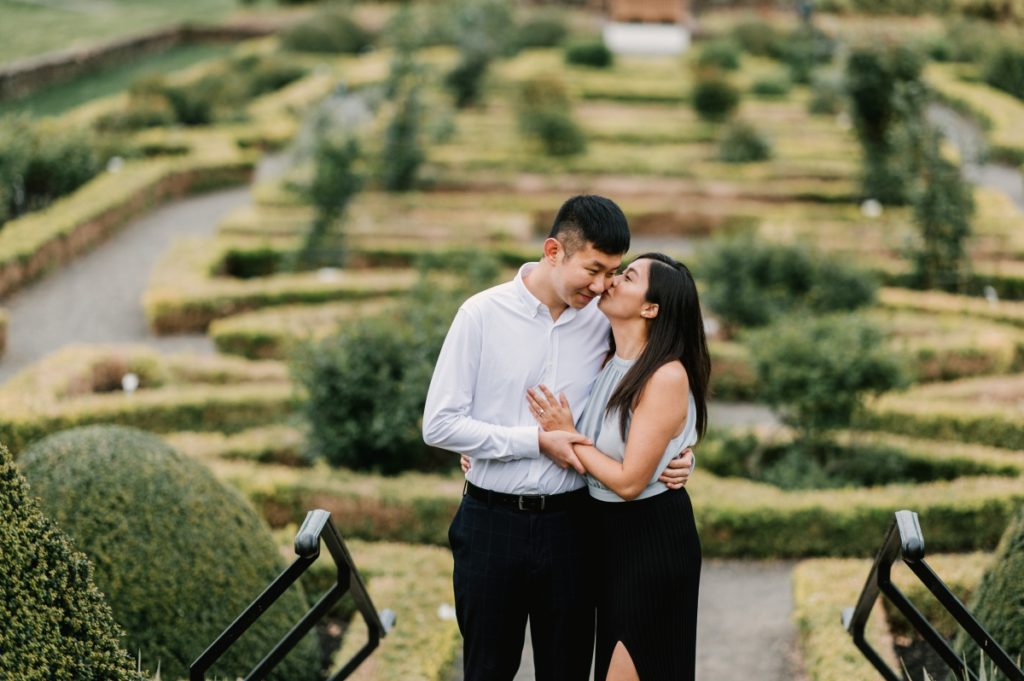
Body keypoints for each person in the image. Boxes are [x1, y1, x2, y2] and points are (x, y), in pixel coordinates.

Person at [422, 196, 694, 681]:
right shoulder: (481, 315)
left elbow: (651, 391)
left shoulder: (605, 322)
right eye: (593, 269)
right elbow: (440, 424)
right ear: (554, 251)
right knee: (486, 670)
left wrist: (680, 453)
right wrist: (533, 441)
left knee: (567, 671)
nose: (602, 284)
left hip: (575, 528)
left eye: (613, 273)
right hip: (491, 523)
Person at [525, 252, 708, 681]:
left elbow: (628, 482)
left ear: (650, 308)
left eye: (625, 276)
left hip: (648, 541)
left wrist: (565, 434)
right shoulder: (608, 359)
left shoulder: (664, 376)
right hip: (603, 538)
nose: (609, 281)